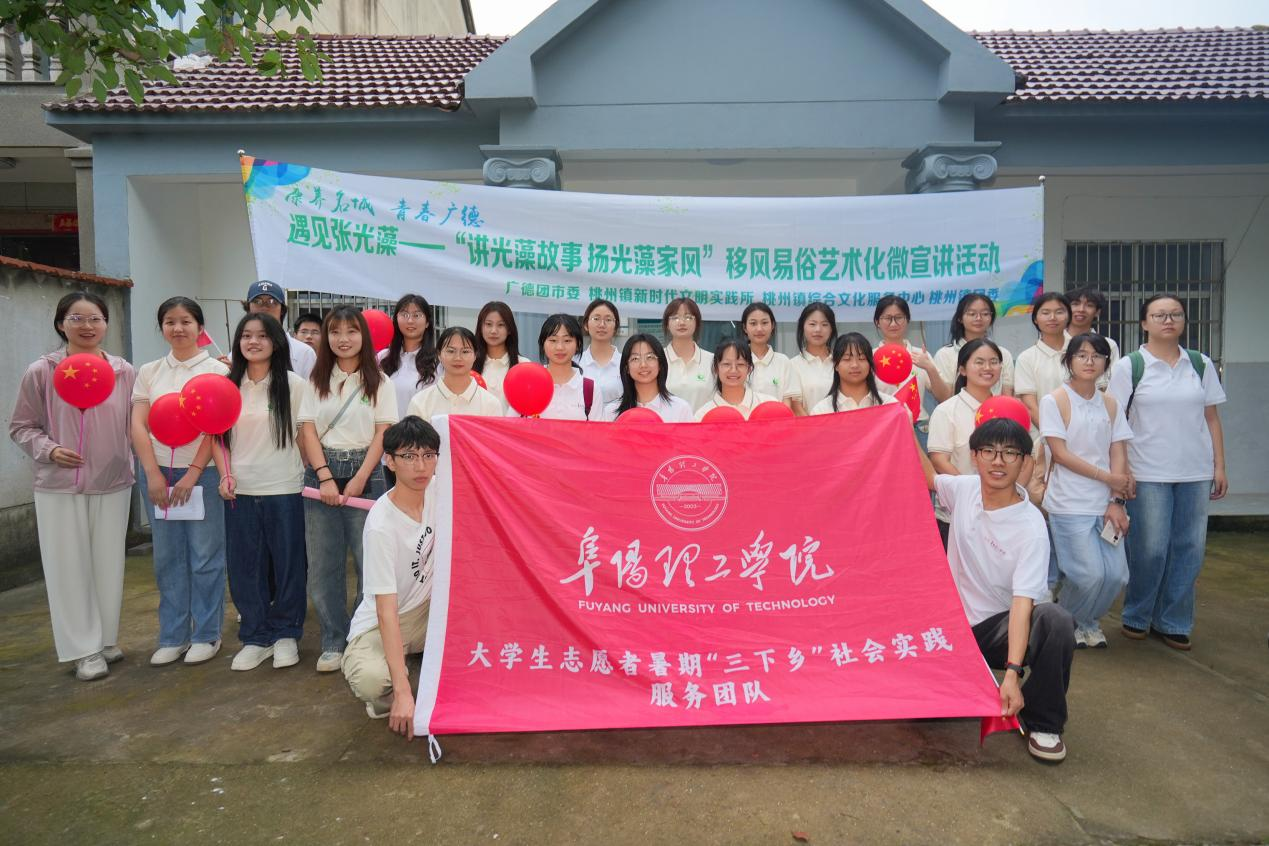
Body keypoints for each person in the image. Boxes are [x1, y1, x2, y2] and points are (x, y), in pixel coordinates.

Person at [917, 418, 1076, 763]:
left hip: (997, 630)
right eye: (989, 451)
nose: (998, 461)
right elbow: (928, 477)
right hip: (950, 630)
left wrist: (1013, 674)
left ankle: (1043, 722)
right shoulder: (965, 490)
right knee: (919, 711)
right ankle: (957, 679)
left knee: (1056, 620)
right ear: (975, 456)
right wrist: (898, 419)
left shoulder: (1031, 527)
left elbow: (1022, 606)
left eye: (1009, 453)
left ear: (1024, 461)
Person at [9, 292, 135, 681]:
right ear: (61, 324)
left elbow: (137, 423)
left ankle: (106, 639)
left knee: (108, 564)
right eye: (76, 318)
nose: (87, 326)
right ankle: (84, 650)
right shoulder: (41, 371)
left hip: (113, 481)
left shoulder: (123, 372)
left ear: (106, 324)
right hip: (59, 486)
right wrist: (49, 450)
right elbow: (21, 426)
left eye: (95, 318)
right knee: (68, 567)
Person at [1108, 295, 1227, 650]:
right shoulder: (1131, 366)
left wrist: (1219, 465)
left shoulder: (1200, 364)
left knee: (1189, 548)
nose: (1168, 320)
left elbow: (1211, 418)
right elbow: (1115, 422)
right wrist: (1121, 471)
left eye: (1176, 314)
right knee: (1151, 548)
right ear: (1144, 323)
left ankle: (1173, 620)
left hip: (1195, 472)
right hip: (1148, 472)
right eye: (1159, 315)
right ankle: (1137, 614)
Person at [298, 306, 399, 672]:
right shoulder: (315, 381)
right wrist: (325, 476)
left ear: (363, 336)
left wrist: (359, 478)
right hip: (321, 473)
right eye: (335, 331)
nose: (343, 339)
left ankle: (361, 638)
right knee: (323, 564)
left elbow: (383, 433)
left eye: (351, 331)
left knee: (369, 563)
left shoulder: (380, 382)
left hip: (367, 473)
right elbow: (307, 430)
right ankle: (332, 640)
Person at [130, 297, 229, 666]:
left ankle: (206, 633)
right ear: (162, 328)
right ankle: (173, 635)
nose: (178, 328)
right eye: (170, 321)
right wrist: (152, 473)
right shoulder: (150, 371)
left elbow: (217, 427)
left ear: (200, 327)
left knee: (205, 556)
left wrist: (193, 473)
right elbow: (138, 424)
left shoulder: (217, 372)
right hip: (157, 474)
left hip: (202, 474)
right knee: (168, 557)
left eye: (186, 321)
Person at [218, 313, 308, 671]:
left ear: (275, 342)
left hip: (283, 488)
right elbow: (217, 436)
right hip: (240, 489)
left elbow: (304, 435)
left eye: (261, 336)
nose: (253, 342)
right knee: (245, 566)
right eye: (246, 336)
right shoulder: (227, 385)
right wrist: (225, 475)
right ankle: (256, 636)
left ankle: (286, 633)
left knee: (288, 564)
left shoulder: (293, 385)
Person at [342, 416, 438, 734]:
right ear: (390, 461)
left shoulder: (440, 490)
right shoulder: (381, 525)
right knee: (371, 681)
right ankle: (398, 685)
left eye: (428, 455)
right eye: (409, 456)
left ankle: (420, 667)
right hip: (384, 619)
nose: (421, 466)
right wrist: (402, 691)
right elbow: (386, 610)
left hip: (429, 611)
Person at [1041, 334, 1133, 649]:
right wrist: (1107, 477)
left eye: (1097, 355)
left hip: (1105, 502)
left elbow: (1118, 449)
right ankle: (1069, 623)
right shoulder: (1055, 400)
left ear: (1107, 362)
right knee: (1088, 575)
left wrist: (1116, 499)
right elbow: (1060, 454)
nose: (1089, 361)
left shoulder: (1110, 403)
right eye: (1081, 355)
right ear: (1069, 361)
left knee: (1117, 575)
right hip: (1069, 503)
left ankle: (1085, 622)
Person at [927, 338, 1005, 544]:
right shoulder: (946, 411)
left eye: (994, 362)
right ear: (962, 369)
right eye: (979, 362)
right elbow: (938, 460)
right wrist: (974, 492)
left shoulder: (1008, 408)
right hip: (957, 514)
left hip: (1002, 513)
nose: (987, 368)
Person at [873, 295, 951, 447]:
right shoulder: (870, 357)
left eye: (899, 318)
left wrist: (930, 368)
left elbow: (945, 397)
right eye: (887, 318)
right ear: (877, 322)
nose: (893, 323)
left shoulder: (920, 355)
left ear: (907, 320)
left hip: (918, 427)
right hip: (883, 427)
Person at [407, 327, 503, 421]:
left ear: (475, 355)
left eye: (465, 351)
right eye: (451, 351)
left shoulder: (491, 404)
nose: (458, 358)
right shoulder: (420, 402)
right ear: (439, 355)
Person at [933, 293, 1015, 397]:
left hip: (995, 407)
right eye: (972, 314)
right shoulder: (945, 354)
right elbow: (944, 398)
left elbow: (1007, 396)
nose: (978, 318)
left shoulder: (1003, 354)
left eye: (985, 314)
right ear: (960, 318)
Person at [528, 313, 606, 421]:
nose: (560, 347)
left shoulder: (590, 389)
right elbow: (511, 427)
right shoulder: (528, 385)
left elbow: (598, 430)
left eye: (567, 340)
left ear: (578, 344)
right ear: (542, 343)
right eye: (553, 340)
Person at [604, 333, 694, 422]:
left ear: (660, 364)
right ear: (627, 367)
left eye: (650, 357)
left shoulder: (680, 409)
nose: (643, 364)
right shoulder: (611, 412)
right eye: (635, 358)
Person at [378, 294, 439, 420]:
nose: (410, 320)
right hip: (387, 430)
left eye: (417, 315)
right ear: (396, 319)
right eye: (404, 314)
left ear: (427, 322)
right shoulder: (382, 357)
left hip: (422, 431)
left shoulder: (438, 362)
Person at [1015, 292, 1072, 427]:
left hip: (1083, 432)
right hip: (1043, 433)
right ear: (1035, 319)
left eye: (1059, 312)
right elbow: (1030, 406)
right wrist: (1052, 434)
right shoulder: (1026, 358)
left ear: (1069, 317)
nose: (1052, 318)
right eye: (1045, 313)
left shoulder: (1081, 352)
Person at [239, 280, 316, 379]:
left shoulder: (304, 353)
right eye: (257, 301)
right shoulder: (239, 351)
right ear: (248, 308)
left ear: (282, 309)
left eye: (272, 301)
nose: (264, 307)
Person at [809, 333, 899, 415]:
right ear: (836, 365)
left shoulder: (889, 405)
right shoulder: (822, 410)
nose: (855, 365)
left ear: (870, 364)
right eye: (847, 359)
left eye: (862, 358)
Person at [740, 302, 799, 409]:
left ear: (772, 325)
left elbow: (787, 403)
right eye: (753, 323)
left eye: (764, 323)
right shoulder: (737, 361)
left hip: (777, 419)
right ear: (745, 328)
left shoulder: (783, 361)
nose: (759, 329)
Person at [662, 297, 714, 412]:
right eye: (675, 318)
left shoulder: (712, 361)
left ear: (697, 323)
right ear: (667, 324)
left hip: (703, 423)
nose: (681, 322)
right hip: (667, 424)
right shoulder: (657, 360)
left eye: (688, 317)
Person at [473, 301, 524, 410]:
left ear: (509, 329)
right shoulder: (469, 364)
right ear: (480, 328)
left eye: (501, 325)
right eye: (488, 324)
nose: (494, 331)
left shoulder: (524, 365)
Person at [693, 338, 761, 421]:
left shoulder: (765, 405)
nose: (733, 370)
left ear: (749, 368)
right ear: (716, 368)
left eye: (740, 364)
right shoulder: (703, 415)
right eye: (726, 364)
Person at [790, 303, 837, 416]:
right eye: (812, 324)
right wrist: (814, 426)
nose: (818, 329)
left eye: (824, 324)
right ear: (802, 327)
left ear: (831, 329)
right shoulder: (792, 365)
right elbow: (796, 407)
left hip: (842, 425)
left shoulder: (841, 361)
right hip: (807, 425)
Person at [578, 298, 623, 404]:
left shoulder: (625, 363)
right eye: (596, 318)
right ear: (586, 325)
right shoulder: (575, 362)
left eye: (608, 320)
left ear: (615, 327)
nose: (602, 325)